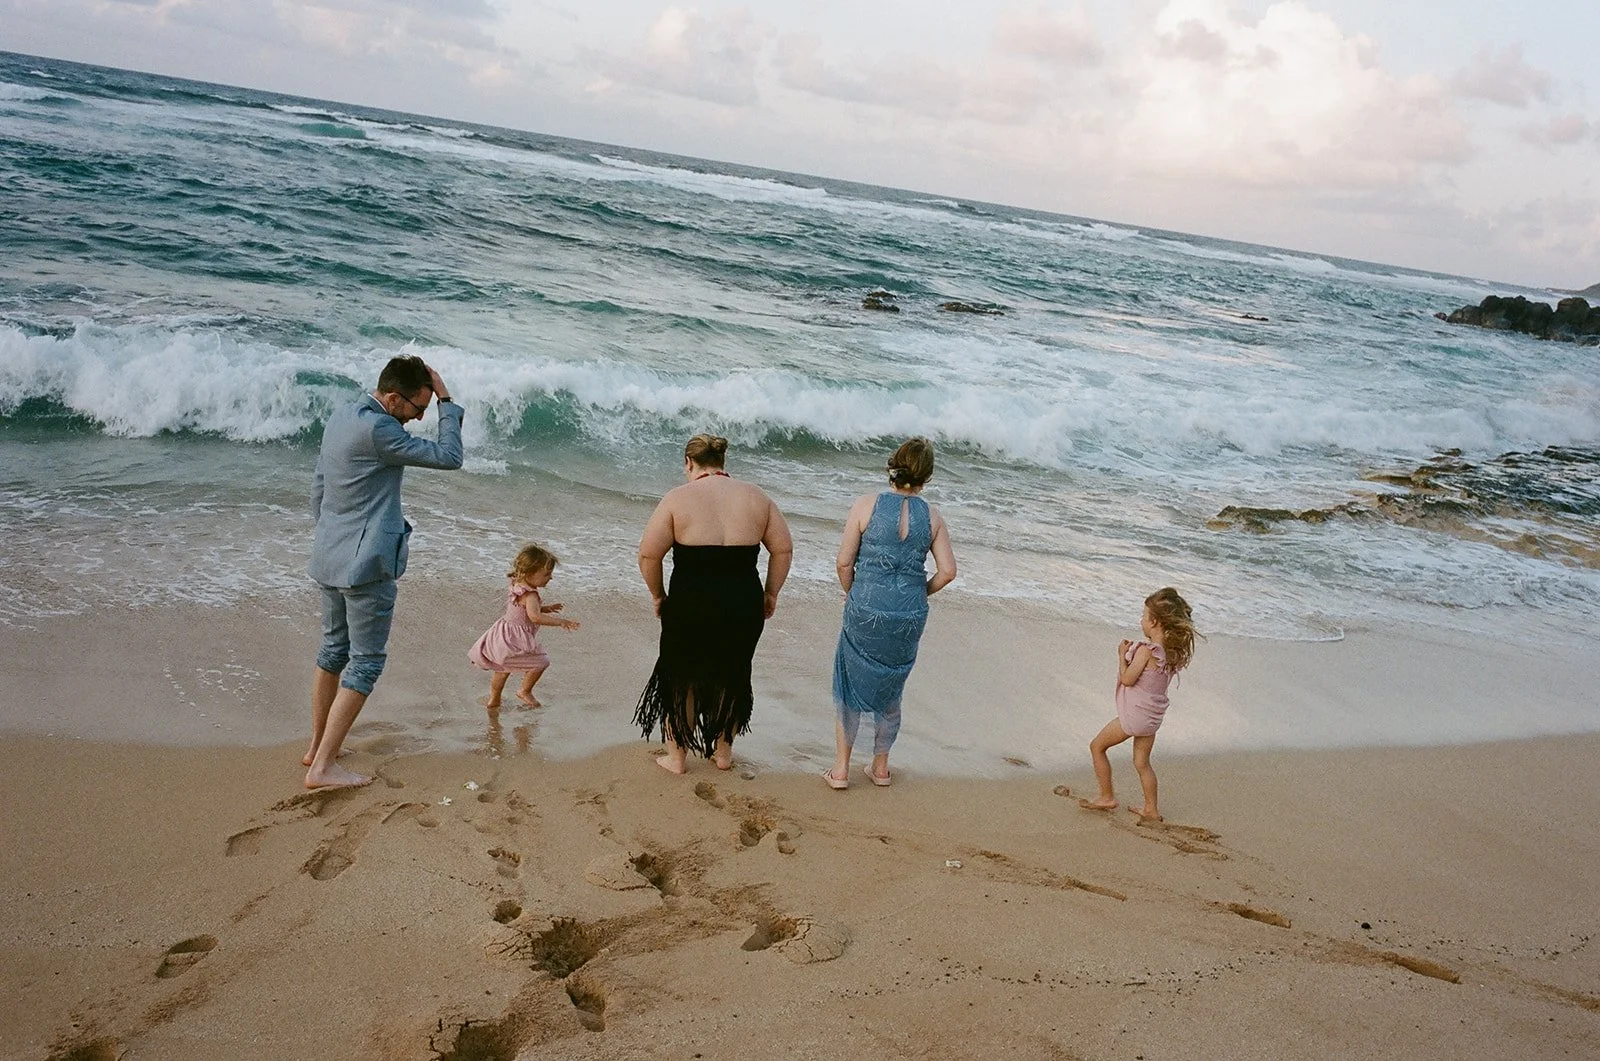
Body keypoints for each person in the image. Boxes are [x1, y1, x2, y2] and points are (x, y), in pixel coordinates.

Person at [303, 355, 463, 789]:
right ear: (393, 398)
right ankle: (323, 768)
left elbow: (319, 481)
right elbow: (450, 456)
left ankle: (317, 748)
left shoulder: (341, 415)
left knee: (332, 651)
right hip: (367, 564)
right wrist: (448, 400)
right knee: (365, 662)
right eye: (418, 408)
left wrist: (328, 533)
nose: (418, 418)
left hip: (329, 555)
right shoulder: (382, 430)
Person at [633, 434, 793, 774]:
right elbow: (783, 549)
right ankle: (723, 754)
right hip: (742, 604)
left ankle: (676, 758)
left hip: (691, 604)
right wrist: (771, 592)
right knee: (732, 672)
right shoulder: (756, 497)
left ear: (689, 464)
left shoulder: (677, 498)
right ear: (722, 463)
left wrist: (658, 595)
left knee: (682, 676)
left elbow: (648, 554)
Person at [823, 438, 957, 789]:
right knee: (892, 685)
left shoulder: (865, 505)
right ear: (925, 477)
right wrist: (919, 593)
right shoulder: (932, 516)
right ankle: (880, 768)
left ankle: (840, 770)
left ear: (892, 467)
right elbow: (947, 572)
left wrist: (854, 593)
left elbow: (843, 561)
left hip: (865, 604)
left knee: (848, 681)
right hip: (910, 612)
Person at [1080, 587, 1197, 821]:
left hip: (1135, 717)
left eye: (1143, 617)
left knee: (1097, 747)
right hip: (1152, 719)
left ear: (1154, 622)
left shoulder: (1146, 651)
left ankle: (1106, 796)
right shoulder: (1171, 654)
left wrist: (1121, 656)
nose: (1141, 621)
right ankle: (1151, 810)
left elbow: (1127, 679)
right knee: (1142, 763)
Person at [469, 543, 581, 709]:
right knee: (542, 662)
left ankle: (494, 700)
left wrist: (547, 608)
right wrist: (561, 622)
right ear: (530, 573)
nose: (550, 578)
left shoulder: (517, 585)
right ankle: (524, 691)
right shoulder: (531, 595)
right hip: (514, 639)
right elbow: (534, 617)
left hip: (503, 634)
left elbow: (523, 610)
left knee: (502, 669)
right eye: (546, 574)